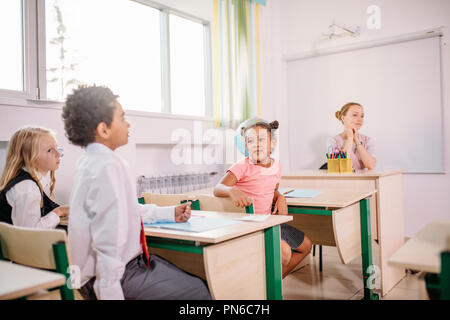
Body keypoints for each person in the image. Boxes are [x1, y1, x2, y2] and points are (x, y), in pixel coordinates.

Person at [62, 85, 211, 300]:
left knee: (193, 278)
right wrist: (109, 291)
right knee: (200, 291)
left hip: (107, 271)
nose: (128, 123)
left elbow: (125, 212)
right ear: (104, 130)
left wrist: (170, 213)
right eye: (122, 118)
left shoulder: (90, 162)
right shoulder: (109, 165)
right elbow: (108, 237)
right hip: (111, 277)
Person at [214, 118, 312, 278]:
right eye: (251, 141)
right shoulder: (242, 166)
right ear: (246, 146)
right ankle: (267, 287)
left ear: (272, 143)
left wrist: (279, 197)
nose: (257, 144)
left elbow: (271, 189)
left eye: (261, 139)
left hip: (269, 222)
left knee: (307, 246)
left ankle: (272, 284)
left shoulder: (277, 166)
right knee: (284, 252)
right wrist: (232, 191)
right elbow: (218, 188)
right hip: (249, 226)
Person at [0, 126, 69, 228]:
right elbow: (30, 233)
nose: (58, 154)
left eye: (57, 147)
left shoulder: (30, 182)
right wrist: (59, 211)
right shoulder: (27, 187)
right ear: (30, 157)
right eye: (50, 150)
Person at [328, 102, 376, 170]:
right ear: (343, 118)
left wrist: (356, 140)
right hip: (341, 179)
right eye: (354, 115)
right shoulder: (333, 141)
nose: (360, 119)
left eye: (362, 116)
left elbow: (371, 165)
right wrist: (349, 139)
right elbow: (340, 166)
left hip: (363, 180)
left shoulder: (367, 140)